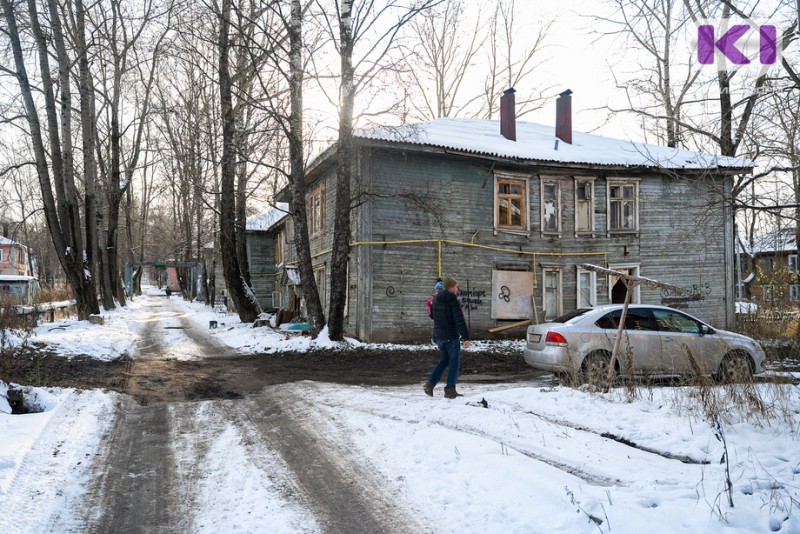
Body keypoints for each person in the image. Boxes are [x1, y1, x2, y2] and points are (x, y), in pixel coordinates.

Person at [424, 276, 470, 399]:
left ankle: (430, 384)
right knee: (454, 363)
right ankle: (450, 390)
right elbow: (459, 320)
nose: (457, 288)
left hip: (440, 337)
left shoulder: (436, 300)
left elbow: (435, 320)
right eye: (455, 286)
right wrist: (466, 337)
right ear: (450, 288)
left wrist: (434, 336)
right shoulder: (453, 301)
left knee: (444, 360)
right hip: (451, 337)